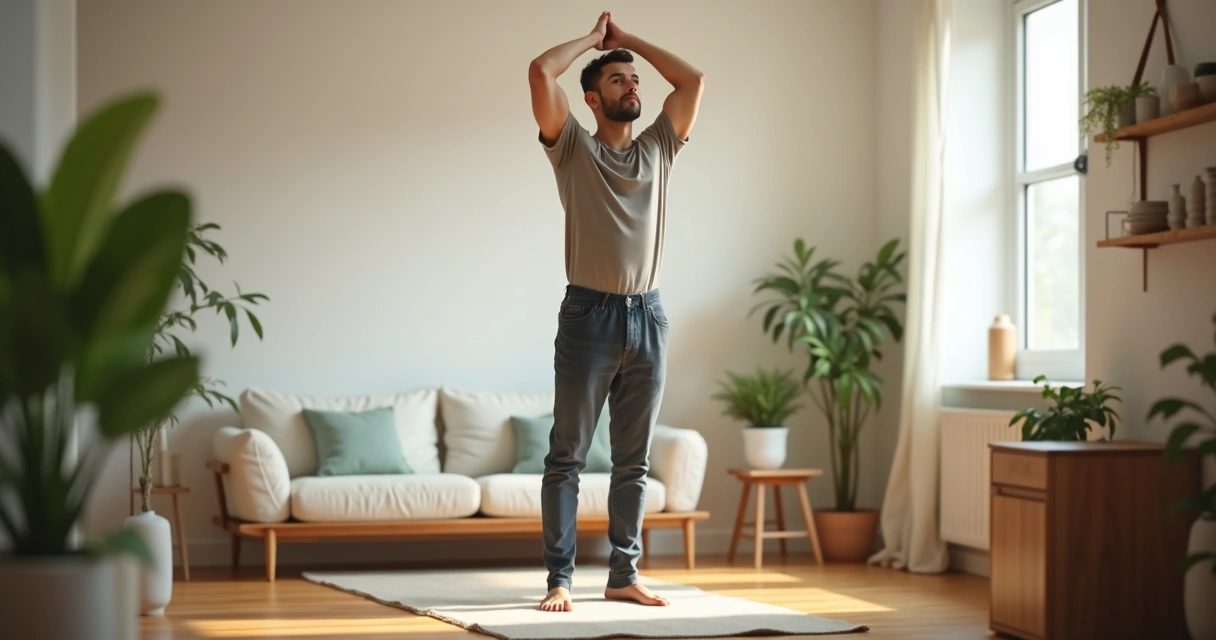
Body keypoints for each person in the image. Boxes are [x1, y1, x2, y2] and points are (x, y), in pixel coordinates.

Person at [527, 11, 704, 613]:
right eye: (617, 79)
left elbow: (693, 81)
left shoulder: (659, 147)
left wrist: (628, 44)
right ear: (591, 99)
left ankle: (623, 575)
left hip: (648, 316)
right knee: (568, 458)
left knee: (634, 462)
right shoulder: (573, 148)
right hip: (589, 315)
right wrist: (593, 41)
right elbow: (540, 71)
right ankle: (559, 579)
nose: (631, 86)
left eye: (634, 80)